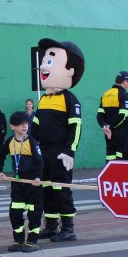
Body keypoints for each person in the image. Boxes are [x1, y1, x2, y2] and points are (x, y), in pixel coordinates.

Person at [31, 38, 85, 243]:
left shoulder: (70, 99)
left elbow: (76, 127)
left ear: (70, 70)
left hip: (61, 152)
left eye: (51, 61)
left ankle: (68, 227)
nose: (44, 65)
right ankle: (51, 226)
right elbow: (35, 127)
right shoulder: (44, 99)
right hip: (43, 151)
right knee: (46, 189)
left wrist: (70, 151)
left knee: (61, 189)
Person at [0, 112, 43, 253]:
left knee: (34, 213)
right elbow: (0, 155)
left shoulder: (32, 141)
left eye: (26, 123)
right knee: (15, 212)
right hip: (17, 181)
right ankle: (18, 240)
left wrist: (38, 177)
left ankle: (32, 241)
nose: (24, 126)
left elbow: (40, 161)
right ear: (12, 126)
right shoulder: (10, 142)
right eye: (20, 123)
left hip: (32, 182)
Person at [97, 71, 128, 162]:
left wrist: (105, 127)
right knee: (122, 160)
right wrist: (110, 126)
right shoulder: (124, 94)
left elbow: (99, 115)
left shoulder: (105, 94)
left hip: (108, 134)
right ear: (124, 81)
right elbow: (123, 116)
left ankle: (109, 176)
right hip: (122, 134)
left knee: (110, 157)